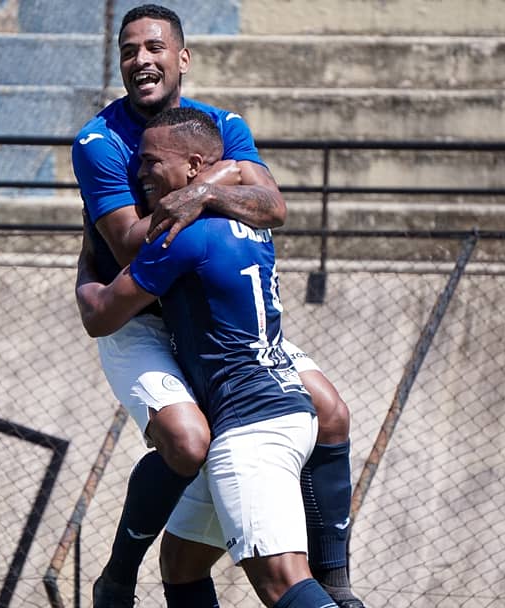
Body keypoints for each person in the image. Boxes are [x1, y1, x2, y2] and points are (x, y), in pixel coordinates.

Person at [72, 4, 362, 607]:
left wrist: (200, 191)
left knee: (331, 409)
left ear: (182, 58)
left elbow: (273, 206)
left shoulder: (219, 125)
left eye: (154, 48)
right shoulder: (98, 142)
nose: (140, 61)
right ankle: (118, 576)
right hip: (143, 314)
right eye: (128, 51)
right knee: (185, 441)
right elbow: (129, 245)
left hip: (203, 312)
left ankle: (338, 585)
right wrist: (223, 184)